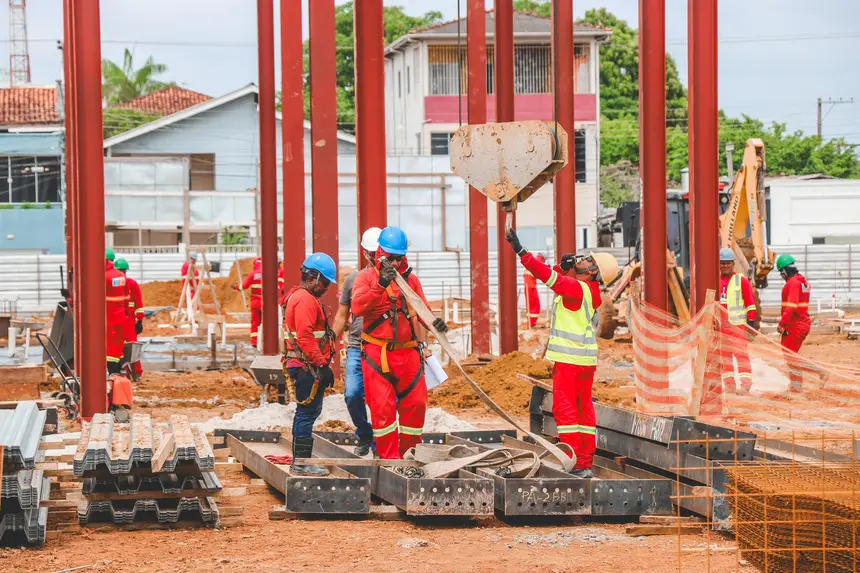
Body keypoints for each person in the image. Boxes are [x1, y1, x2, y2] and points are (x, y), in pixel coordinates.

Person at [505, 228, 618, 478]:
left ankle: (573, 460)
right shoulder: (588, 291)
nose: (582, 259)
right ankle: (585, 462)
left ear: (592, 272)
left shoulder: (577, 289)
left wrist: (521, 251)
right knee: (583, 409)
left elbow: (546, 277)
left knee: (566, 410)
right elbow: (559, 284)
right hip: (585, 361)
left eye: (587, 261)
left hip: (569, 361)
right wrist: (562, 266)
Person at [351, 226, 449, 459]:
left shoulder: (411, 281)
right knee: (383, 411)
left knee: (415, 405)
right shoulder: (366, 278)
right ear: (379, 254)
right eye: (390, 258)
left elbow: (423, 309)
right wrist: (381, 285)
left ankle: (410, 456)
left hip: (408, 355)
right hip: (378, 354)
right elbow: (358, 307)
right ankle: (388, 460)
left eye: (399, 258)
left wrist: (435, 323)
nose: (394, 264)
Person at [281, 253, 338, 476]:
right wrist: (322, 366)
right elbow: (305, 336)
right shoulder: (305, 300)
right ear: (313, 277)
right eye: (324, 283)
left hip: (304, 364)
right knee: (307, 413)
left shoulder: (298, 297)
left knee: (305, 412)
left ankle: (300, 460)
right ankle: (302, 463)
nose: (326, 288)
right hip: (307, 366)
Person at [333, 227, 382, 457]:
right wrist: (328, 345)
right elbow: (342, 315)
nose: (376, 257)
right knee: (352, 394)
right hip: (357, 346)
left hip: (383, 347)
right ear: (365, 253)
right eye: (373, 253)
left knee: (381, 399)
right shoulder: (354, 280)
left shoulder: (395, 280)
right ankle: (365, 433)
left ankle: (382, 443)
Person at [717, 248, 757, 394]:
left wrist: (750, 325)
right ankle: (729, 385)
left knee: (741, 356)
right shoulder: (715, 280)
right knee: (725, 358)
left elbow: (750, 304)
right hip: (722, 327)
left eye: (727, 263)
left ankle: (745, 385)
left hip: (738, 327)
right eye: (722, 263)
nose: (725, 266)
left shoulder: (741, 281)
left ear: (733, 264)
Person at [776, 254, 812, 392]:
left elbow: (791, 306)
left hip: (794, 325)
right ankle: (795, 386)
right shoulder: (802, 282)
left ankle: (817, 372)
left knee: (791, 357)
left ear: (784, 271)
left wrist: (782, 324)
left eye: (781, 272)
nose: (781, 276)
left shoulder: (793, 284)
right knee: (791, 356)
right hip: (801, 323)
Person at [114, 259, 144, 377]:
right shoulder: (115, 284)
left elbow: (138, 303)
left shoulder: (131, 284)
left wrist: (139, 320)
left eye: (123, 271)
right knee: (119, 347)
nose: (122, 273)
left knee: (131, 346)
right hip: (119, 318)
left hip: (128, 320)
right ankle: (125, 371)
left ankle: (136, 372)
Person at [105, 248, 129, 375]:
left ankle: (113, 370)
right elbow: (126, 297)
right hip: (121, 314)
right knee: (118, 343)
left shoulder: (103, 277)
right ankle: (119, 368)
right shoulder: (121, 276)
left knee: (109, 343)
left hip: (109, 314)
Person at [233, 256, 263, 346]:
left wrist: (236, 287)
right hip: (265, 302)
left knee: (255, 322)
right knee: (266, 323)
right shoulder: (268, 273)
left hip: (255, 301)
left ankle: (254, 342)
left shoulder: (252, 275)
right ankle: (265, 341)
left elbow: (244, 286)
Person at [524, 253, 545, 327]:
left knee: (533, 306)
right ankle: (532, 323)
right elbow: (539, 273)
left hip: (530, 287)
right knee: (534, 306)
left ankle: (532, 323)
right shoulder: (537, 263)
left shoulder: (533, 263)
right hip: (530, 287)